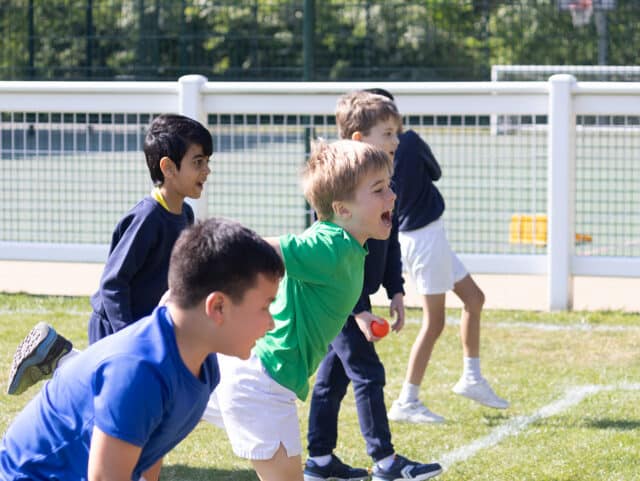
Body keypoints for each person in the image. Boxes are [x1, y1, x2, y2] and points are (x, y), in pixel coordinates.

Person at [203, 139, 440, 481]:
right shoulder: (331, 245)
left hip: (258, 375)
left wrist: (359, 313)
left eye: (389, 186)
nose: (392, 196)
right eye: (378, 190)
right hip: (261, 383)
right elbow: (259, 250)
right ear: (342, 209)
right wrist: (209, 248)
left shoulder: (346, 244)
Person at [0, 217, 285, 481]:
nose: (271, 323)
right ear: (217, 307)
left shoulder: (203, 363)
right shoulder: (139, 372)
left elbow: (151, 447)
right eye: (265, 306)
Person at [6, 113, 212, 396]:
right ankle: (54, 356)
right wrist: (126, 335)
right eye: (198, 162)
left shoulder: (185, 215)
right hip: (117, 326)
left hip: (144, 329)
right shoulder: (147, 219)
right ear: (168, 167)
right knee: (109, 397)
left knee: (135, 397)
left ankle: (56, 354)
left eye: (207, 162)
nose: (206, 171)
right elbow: (113, 283)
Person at [303, 91, 442, 481]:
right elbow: (335, 260)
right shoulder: (341, 191)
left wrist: (396, 289)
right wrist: (360, 310)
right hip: (340, 302)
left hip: (357, 301)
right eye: (388, 133)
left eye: (396, 132)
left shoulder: (383, 185)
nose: (397, 140)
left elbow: (390, 239)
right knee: (368, 372)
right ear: (359, 140)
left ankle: (319, 461)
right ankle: (385, 461)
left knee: (332, 378)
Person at [368, 89, 509, 424]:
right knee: (434, 322)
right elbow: (435, 172)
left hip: (427, 236)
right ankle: (407, 400)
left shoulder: (373, 161)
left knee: (474, 299)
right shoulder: (411, 142)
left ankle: (471, 377)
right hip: (423, 239)